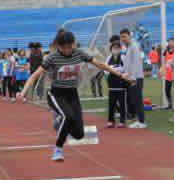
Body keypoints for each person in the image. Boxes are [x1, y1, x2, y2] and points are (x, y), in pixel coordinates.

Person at [18, 30, 131, 162]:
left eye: (69, 47)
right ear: (58, 46)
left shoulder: (79, 53)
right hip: (56, 93)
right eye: (63, 48)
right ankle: (58, 149)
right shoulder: (52, 58)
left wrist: (120, 75)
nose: (67, 50)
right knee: (68, 116)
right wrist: (23, 92)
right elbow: (34, 75)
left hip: (72, 94)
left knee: (79, 134)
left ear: (73, 44)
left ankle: (60, 120)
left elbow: (100, 64)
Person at [119, 28, 147, 129]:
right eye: (121, 37)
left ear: (129, 36)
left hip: (136, 78)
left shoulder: (134, 46)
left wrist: (133, 77)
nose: (123, 39)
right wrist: (124, 73)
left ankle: (142, 122)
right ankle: (139, 120)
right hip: (132, 77)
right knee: (135, 100)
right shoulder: (129, 47)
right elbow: (128, 64)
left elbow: (136, 63)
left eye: (124, 36)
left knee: (138, 100)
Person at [105, 41, 127, 128]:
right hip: (111, 85)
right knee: (111, 104)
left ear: (120, 49)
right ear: (111, 49)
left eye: (117, 48)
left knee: (122, 103)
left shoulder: (123, 57)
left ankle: (122, 121)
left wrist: (113, 69)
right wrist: (112, 69)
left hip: (121, 84)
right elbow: (105, 69)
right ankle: (111, 121)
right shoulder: (109, 58)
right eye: (114, 48)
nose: (115, 50)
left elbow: (125, 68)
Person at [162, 38, 174, 109]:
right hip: (168, 74)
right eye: (169, 42)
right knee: (167, 90)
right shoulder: (166, 51)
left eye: (172, 42)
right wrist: (162, 69)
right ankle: (170, 103)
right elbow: (164, 60)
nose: (170, 43)